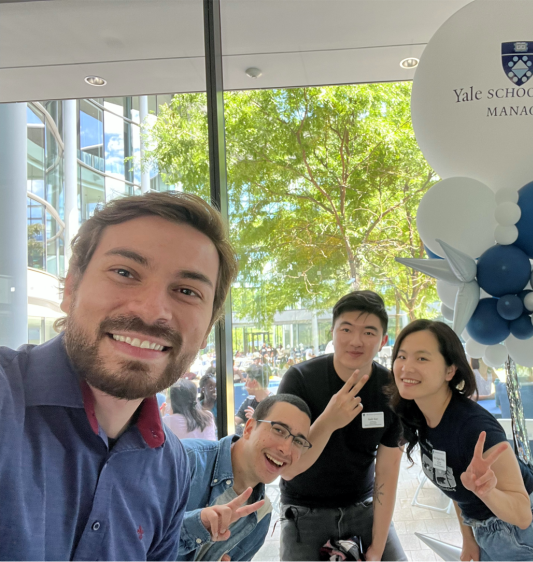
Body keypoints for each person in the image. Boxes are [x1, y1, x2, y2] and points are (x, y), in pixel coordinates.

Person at [0, 191, 238, 561]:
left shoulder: (172, 467)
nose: (152, 310)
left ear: (207, 330)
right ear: (71, 287)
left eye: (187, 291)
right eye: (124, 272)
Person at [389, 320, 533, 561]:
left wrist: (486, 491)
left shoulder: (474, 428)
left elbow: (522, 514)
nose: (406, 367)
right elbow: (454, 484)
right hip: (490, 533)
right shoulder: (425, 417)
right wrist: (469, 540)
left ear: (450, 370)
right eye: (401, 357)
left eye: (422, 359)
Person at [277, 291, 406, 562]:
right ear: (332, 333)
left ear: (383, 341)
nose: (356, 341)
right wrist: (328, 421)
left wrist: (377, 549)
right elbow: (289, 469)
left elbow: (388, 472)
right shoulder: (299, 380)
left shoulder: (391, 389)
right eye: (346, 329)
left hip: (364, 508)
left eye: (369, 333)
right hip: (303, 511)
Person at [177, 394, 313, 562]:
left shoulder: (261, 514)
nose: (286, 449)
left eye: (298, 441)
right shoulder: (185, 460)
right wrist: (197, 525)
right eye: (279, 430)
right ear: (249, 428)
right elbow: (139, 535)